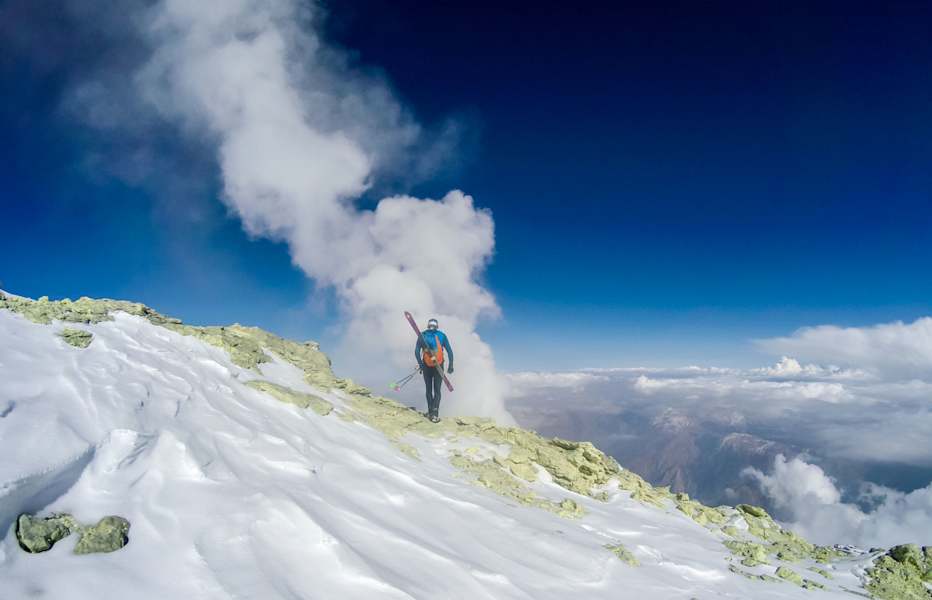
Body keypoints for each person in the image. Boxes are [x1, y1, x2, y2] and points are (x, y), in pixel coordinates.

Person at [414, 318, 453, 422]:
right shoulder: (442, 335)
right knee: (437, 391)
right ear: (437, 326)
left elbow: (416, 351)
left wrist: (421, 364)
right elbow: (449, 351)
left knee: (428, 390)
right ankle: (434, 414)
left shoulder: (422, 335)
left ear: (428, 325)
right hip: (438, 366)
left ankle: (430, 412)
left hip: (426, 365)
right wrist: (451, 365)